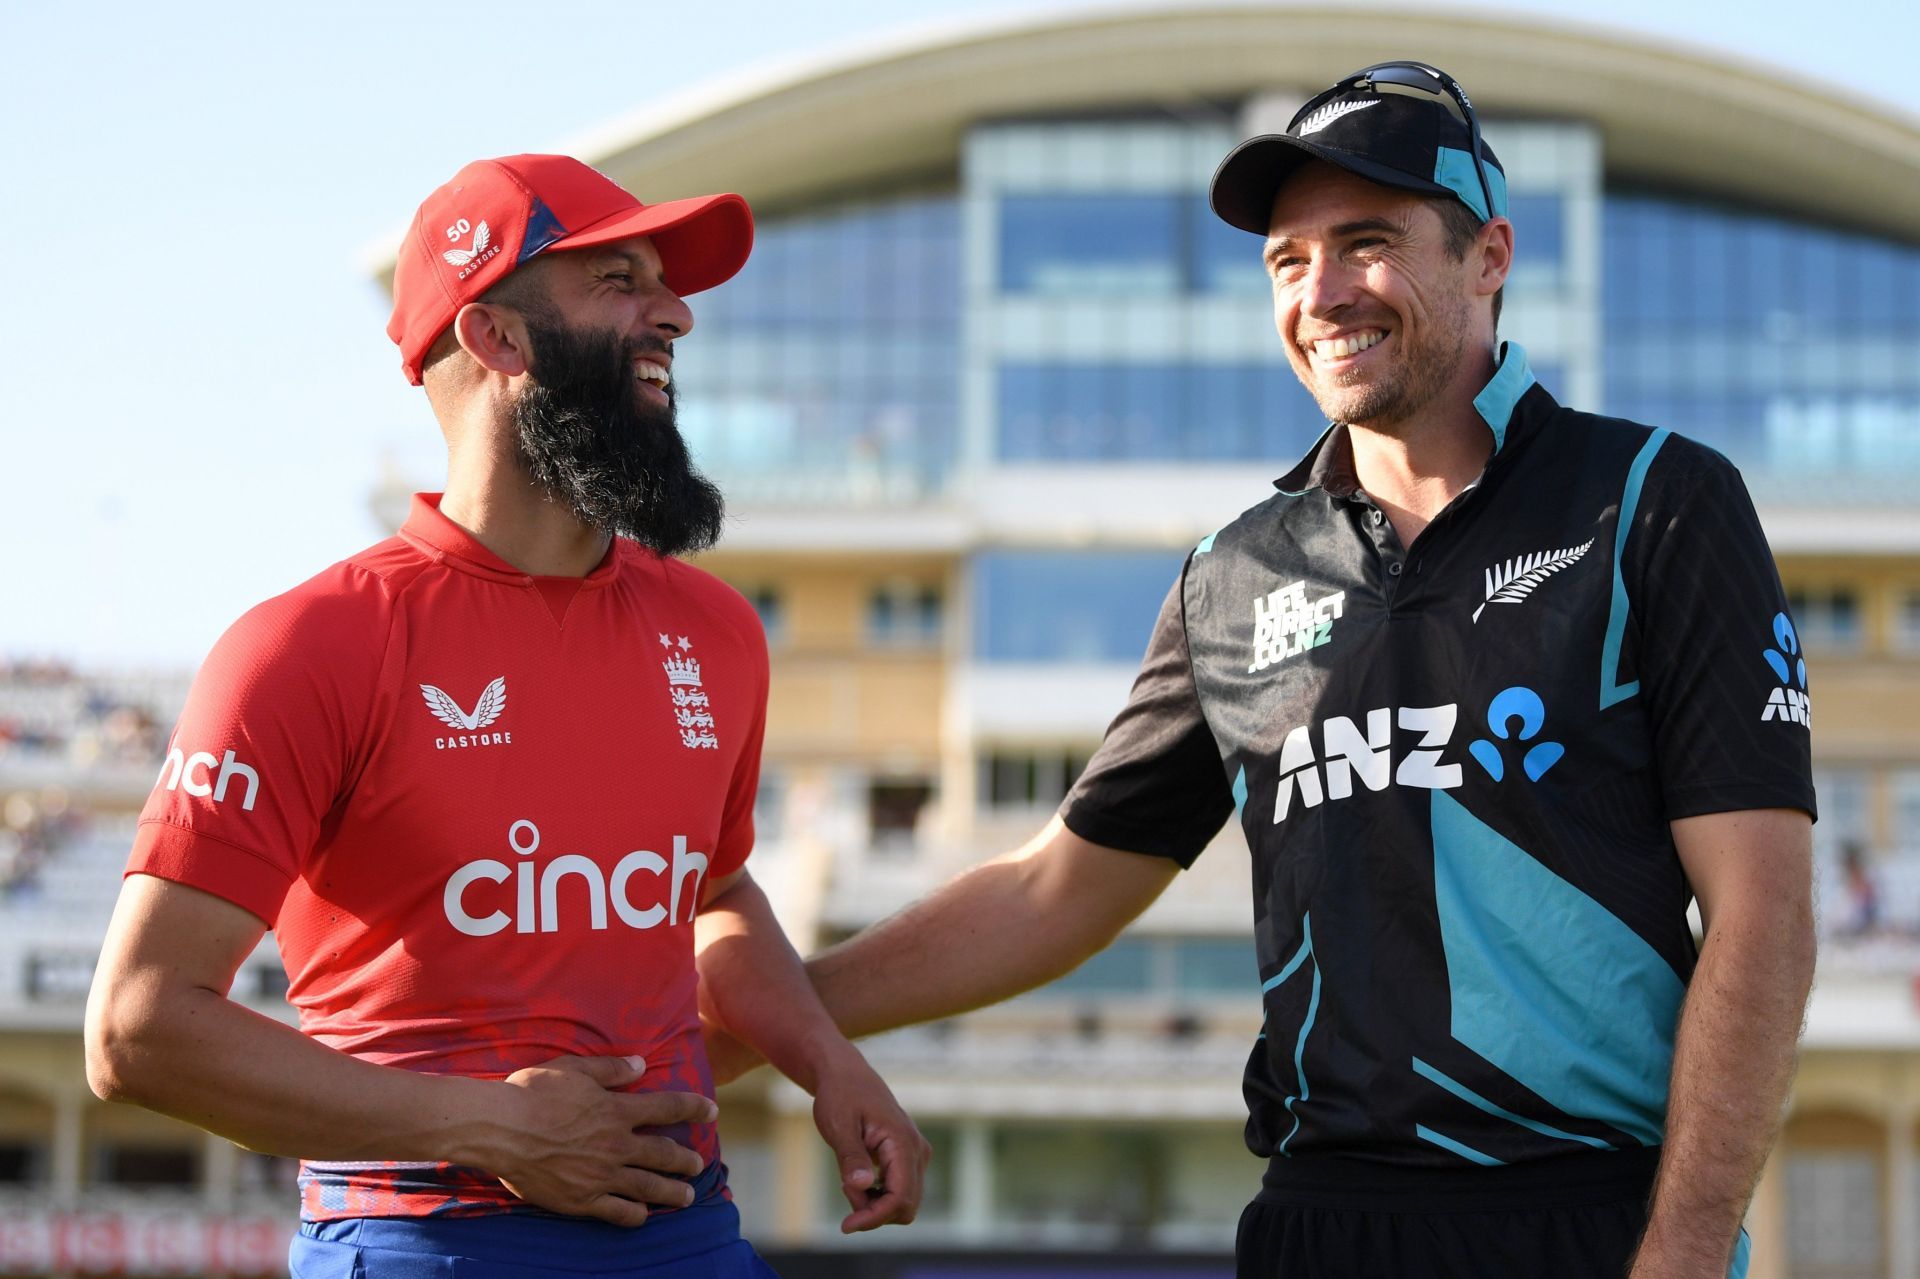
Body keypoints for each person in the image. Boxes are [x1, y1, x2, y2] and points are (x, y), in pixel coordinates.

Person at [707, 64, 1816, 1278]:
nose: (1322, 294)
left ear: (1488, 256)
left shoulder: (1657, 500)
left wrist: (1690, 1248)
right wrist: (768, 1021)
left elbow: (1761, 912)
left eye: (1366, 243)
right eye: (1289, 262)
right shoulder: (1232, 572)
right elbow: (1052, 893)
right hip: (1316, 1222)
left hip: (1593, 1221)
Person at [84, 153, 928, 1279]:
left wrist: (828, 1059)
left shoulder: (716, 630)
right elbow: (136, 1027)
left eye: (662, 284)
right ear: (498, 338)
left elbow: (714, 894)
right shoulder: (308, 645)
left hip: (691, 1231)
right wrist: (482, 1127)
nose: (673, 314)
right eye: (619, 280)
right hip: (417, 1239)